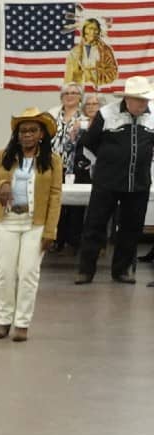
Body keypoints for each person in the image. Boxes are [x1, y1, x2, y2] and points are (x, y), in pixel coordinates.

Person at [0, 109, 62, 342]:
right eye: (23, 131)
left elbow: (55, 196)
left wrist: (50, 230)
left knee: (29, 273)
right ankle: (4, 320)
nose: (27, 135)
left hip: (35, 224)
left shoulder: (52, 160)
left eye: (33, 130)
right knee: (4, 273)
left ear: (41, 134)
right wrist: (1, 185)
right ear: (17, 134)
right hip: (7, 221)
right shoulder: (4, 156)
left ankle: (22, 323)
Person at [74, 75, 154, 284]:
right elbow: (87, 143)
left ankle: (122, 270)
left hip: (138, 183)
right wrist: (98, 168)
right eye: (139, 100)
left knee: (131, 228)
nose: (143, 104)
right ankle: (85, 270)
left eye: (145, 100)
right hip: (106, 182)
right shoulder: (106, 113)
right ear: (127, 98)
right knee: (95, 225)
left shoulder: (152, 116)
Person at [51, 84, 90, 251]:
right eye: (66, 93)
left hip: (77, 166)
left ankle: (73, 240)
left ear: (80, 97)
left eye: (74, 93)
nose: (69, 96)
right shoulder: (52, 114)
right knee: (55, 202)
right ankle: (55, 239)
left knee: (75, 204)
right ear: (61, 97)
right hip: (55, 164)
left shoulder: (86, 117)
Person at [66, 16, 119, 88]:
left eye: (95, 29)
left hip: (100, 90)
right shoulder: (75, 52)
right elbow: (69, 77)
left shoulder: (105, 50)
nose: (92, 32)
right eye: (90, 28)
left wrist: (93, 74)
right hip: (80, 91)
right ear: (84, 30)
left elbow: (113, 73)